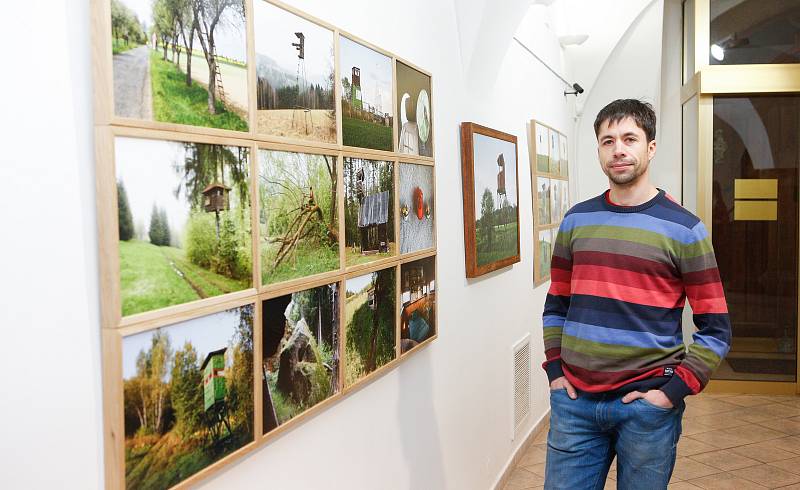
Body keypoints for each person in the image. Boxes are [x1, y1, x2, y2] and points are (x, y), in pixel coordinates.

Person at [541, 99, 731, 489]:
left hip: (648, 406)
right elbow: (556, 304)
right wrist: (556, 372)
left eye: (630, 138)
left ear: (651, 147)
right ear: (598, 150)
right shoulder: (577, 220)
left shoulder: (684, 228)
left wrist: (672, 392)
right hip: (574, 404)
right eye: (607, 141)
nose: (619, 150)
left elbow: (716, 328)